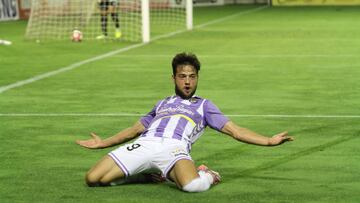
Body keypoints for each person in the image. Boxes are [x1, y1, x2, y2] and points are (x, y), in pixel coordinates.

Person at [76, 52, 293, 192]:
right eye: (182, 76)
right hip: (145, 144)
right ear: (174, 78)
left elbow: (236, 131)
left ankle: (208, 174)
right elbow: (135, 129)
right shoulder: (162, 103)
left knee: (192, 186)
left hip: (174, 148)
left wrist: (268, 141)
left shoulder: (204, 105)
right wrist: (103, 143)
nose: (187, 81)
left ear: (197, 77)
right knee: (94, 179)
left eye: (192, 76)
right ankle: (147, 177)